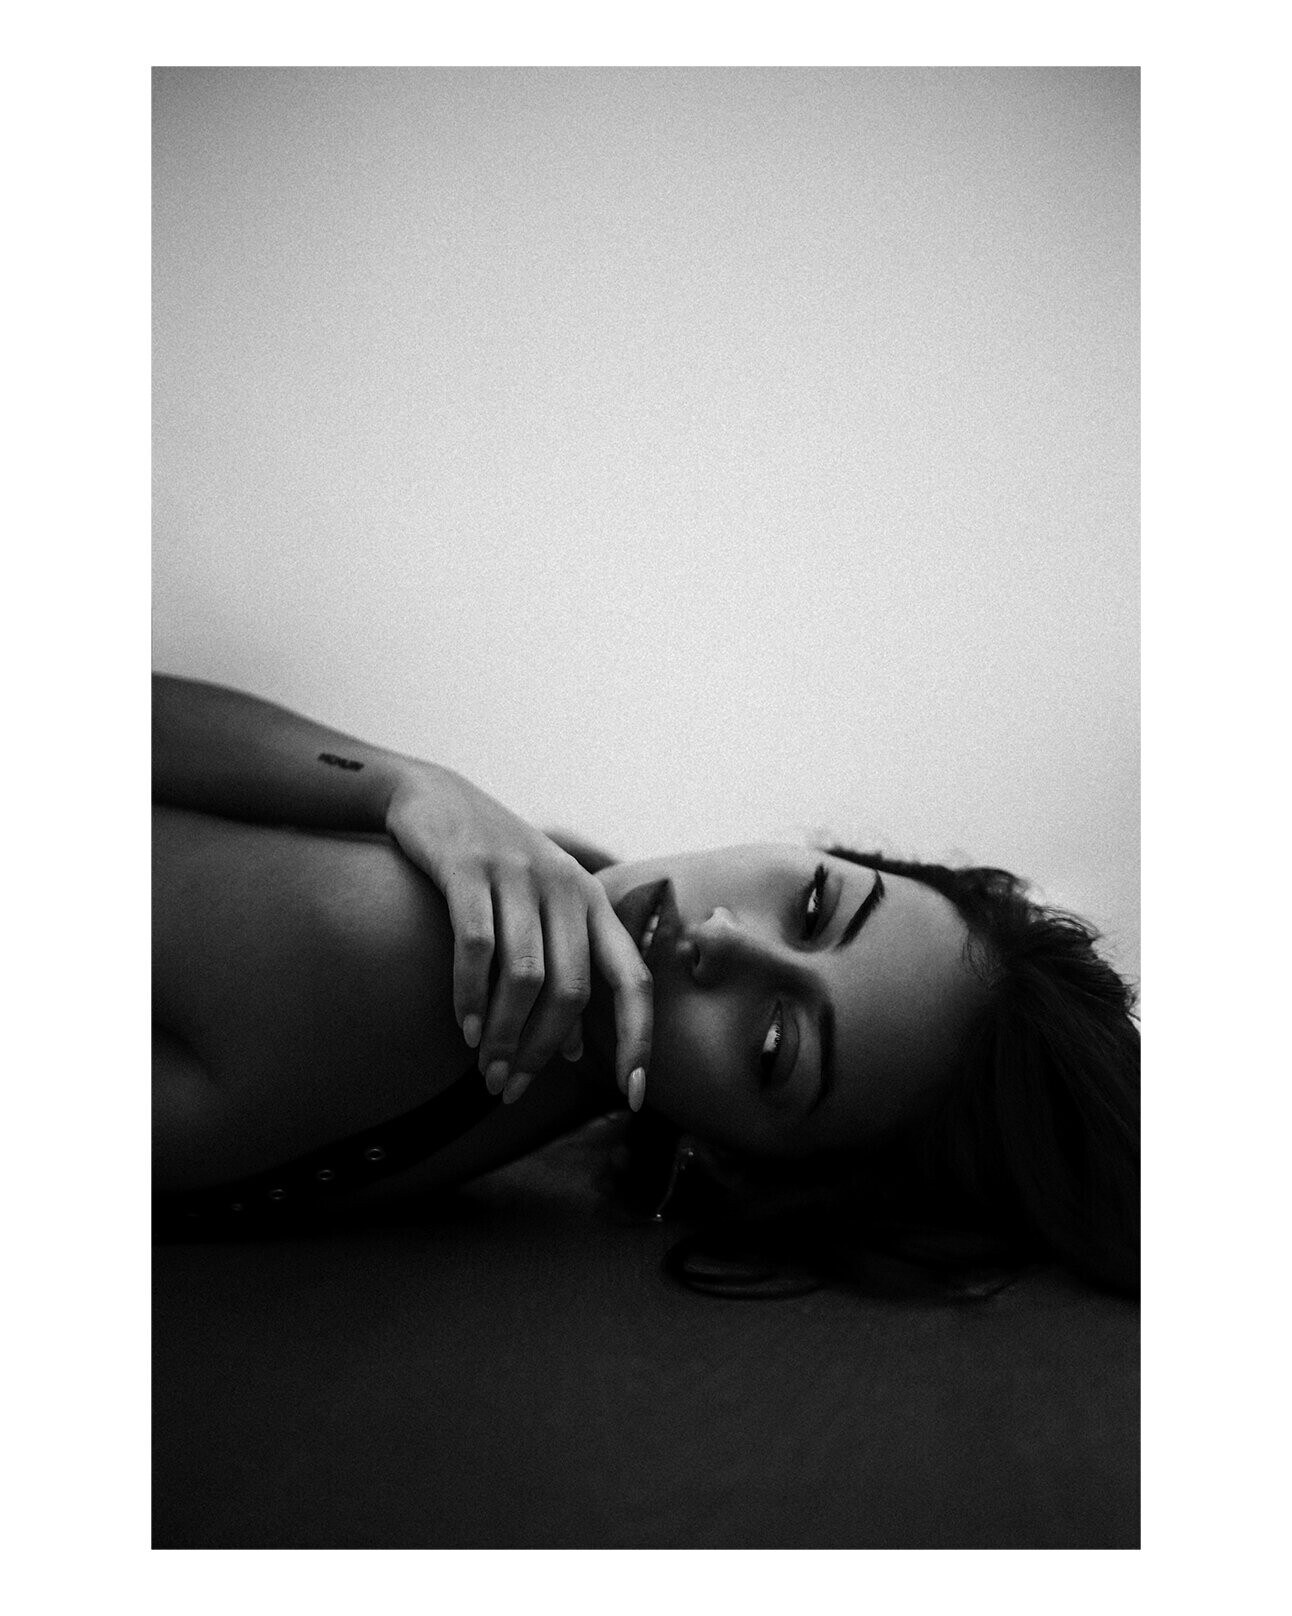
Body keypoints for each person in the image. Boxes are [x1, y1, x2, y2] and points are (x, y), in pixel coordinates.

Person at [152, 674, 1139, 1298]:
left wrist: (403, 785)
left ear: (747, 1168)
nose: (718, 938)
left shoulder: (428, 959)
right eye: (811, 902)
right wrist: (401, 783)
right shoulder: (433, 935)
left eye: (772, 1045)